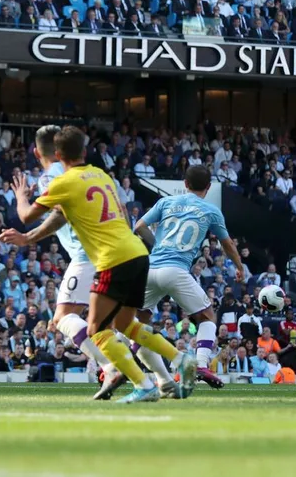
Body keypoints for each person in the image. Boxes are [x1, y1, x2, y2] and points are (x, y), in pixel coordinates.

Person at [10, 126, 196, 403]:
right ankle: (179, 359)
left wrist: (21, 196)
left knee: (95, 328)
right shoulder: (102, 175)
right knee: (125, 323)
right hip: (136, 251)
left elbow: (26, 216)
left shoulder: (60, 181)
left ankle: (140, 383)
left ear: (57, 155)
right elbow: (121, 211)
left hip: (109, 257)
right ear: (85, 151)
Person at [0, 125, 124, 401]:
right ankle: (149, 374)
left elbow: (41, 215)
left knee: (63, 317)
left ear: (36, 152)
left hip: (85, 253)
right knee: (106, 324)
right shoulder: (93, 174)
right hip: (115, 249)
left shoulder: (50, 177)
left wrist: (22, 200)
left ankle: (111, 367)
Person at [133, 165, 245, 392]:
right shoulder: (211, 211)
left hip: (151, 268)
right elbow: (227, 244)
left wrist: (158, 247)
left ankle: (112, 368)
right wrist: (239, 266)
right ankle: (202, 364)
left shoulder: (166, 202)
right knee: (207, 317)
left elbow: (139, 226)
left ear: (185, 183)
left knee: (137, 324)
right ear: (209, 187)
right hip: (176, 271)